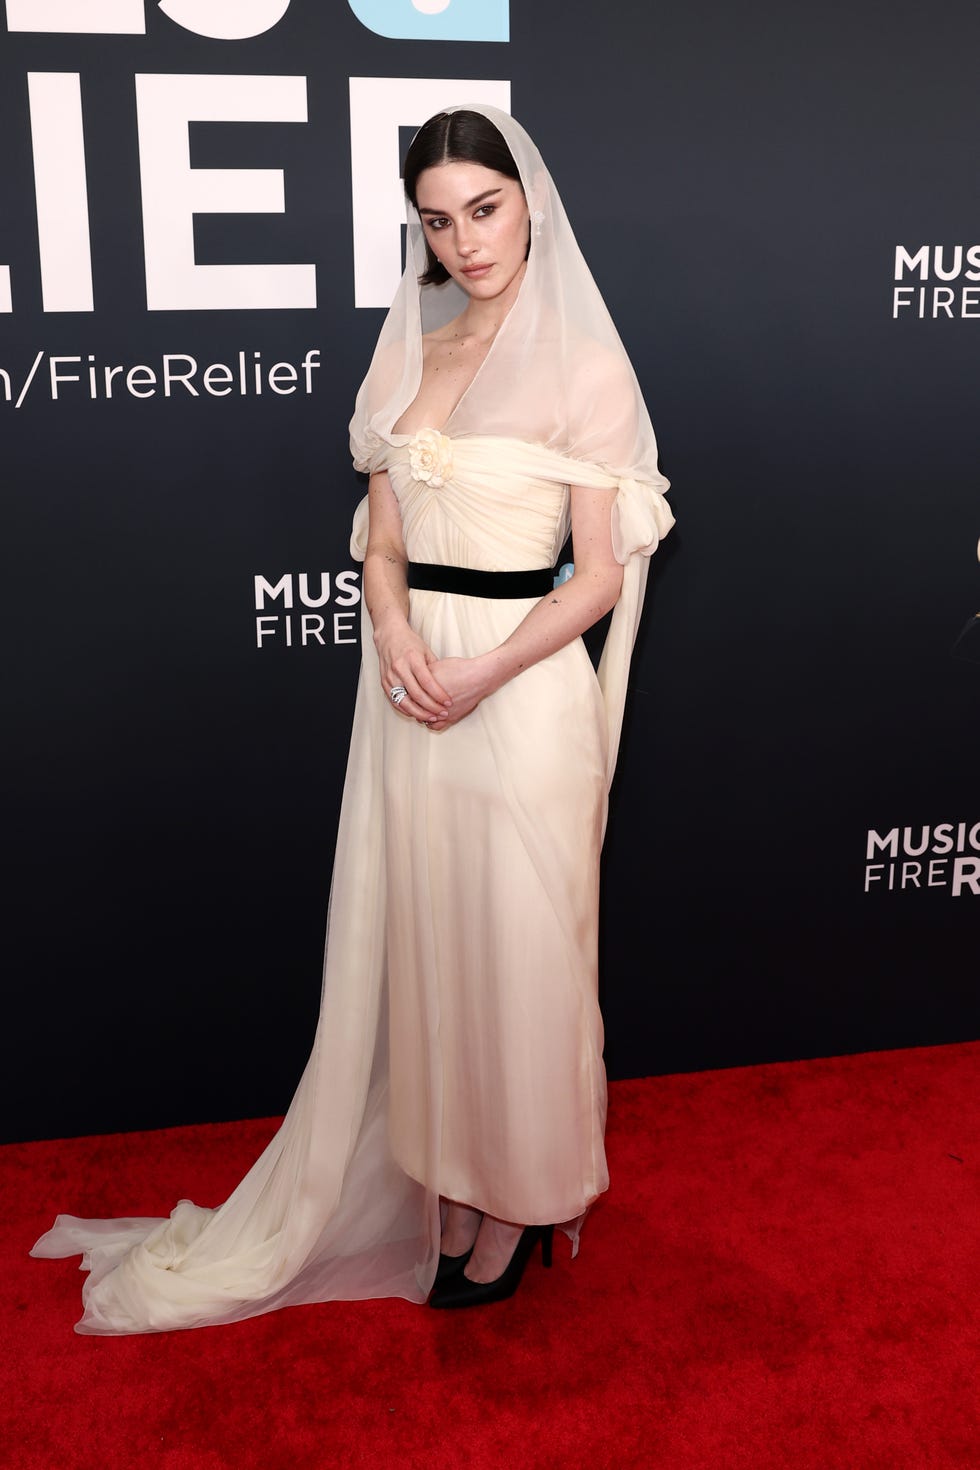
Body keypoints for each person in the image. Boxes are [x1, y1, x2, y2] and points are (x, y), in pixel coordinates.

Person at [31, 104, 673, 1331]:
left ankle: (518, 1199)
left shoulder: (587, 365)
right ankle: (444, 1171)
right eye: (438, 218)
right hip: (401, 686)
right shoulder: (408, 349)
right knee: (425, 944)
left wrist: (480, 672)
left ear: (527, 199)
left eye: (483, 208)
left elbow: (594, 578)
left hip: (516, 689)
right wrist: (393, 635)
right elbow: (380, 541)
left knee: (521, 952)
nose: (466, 239)